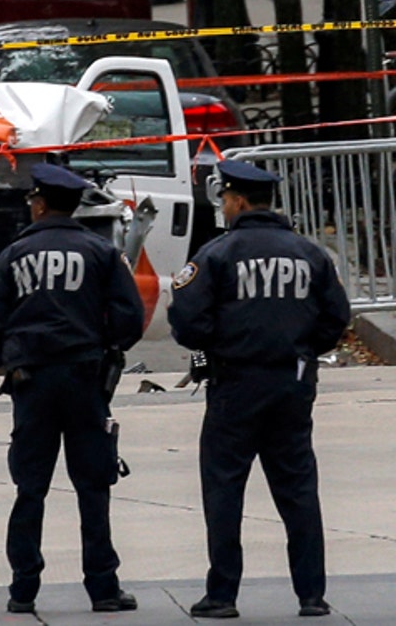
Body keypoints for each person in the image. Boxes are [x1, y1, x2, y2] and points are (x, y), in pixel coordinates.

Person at [168, 160, 351, 619]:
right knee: (298, 489)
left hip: (235, 384)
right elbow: (336, 317)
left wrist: (215, 342)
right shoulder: (310, 254)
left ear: (239, 201)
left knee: (225, 489)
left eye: (226, 199)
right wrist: (304, 348)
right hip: (292, 384)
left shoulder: (218, 254)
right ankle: (312, 595)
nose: (225, 207)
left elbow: (187, 320)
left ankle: (223, 595)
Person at [0, 162, 145, 614]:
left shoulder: (15, 254)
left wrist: (8, 361)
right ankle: (104, 588)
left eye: (32, 200)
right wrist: (108, 348)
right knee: (93, 485)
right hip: (86, 379)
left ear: (41, 203)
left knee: (30, 487)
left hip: (32, 381)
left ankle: (22, 590)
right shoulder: (101, 252)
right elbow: (129, 316)